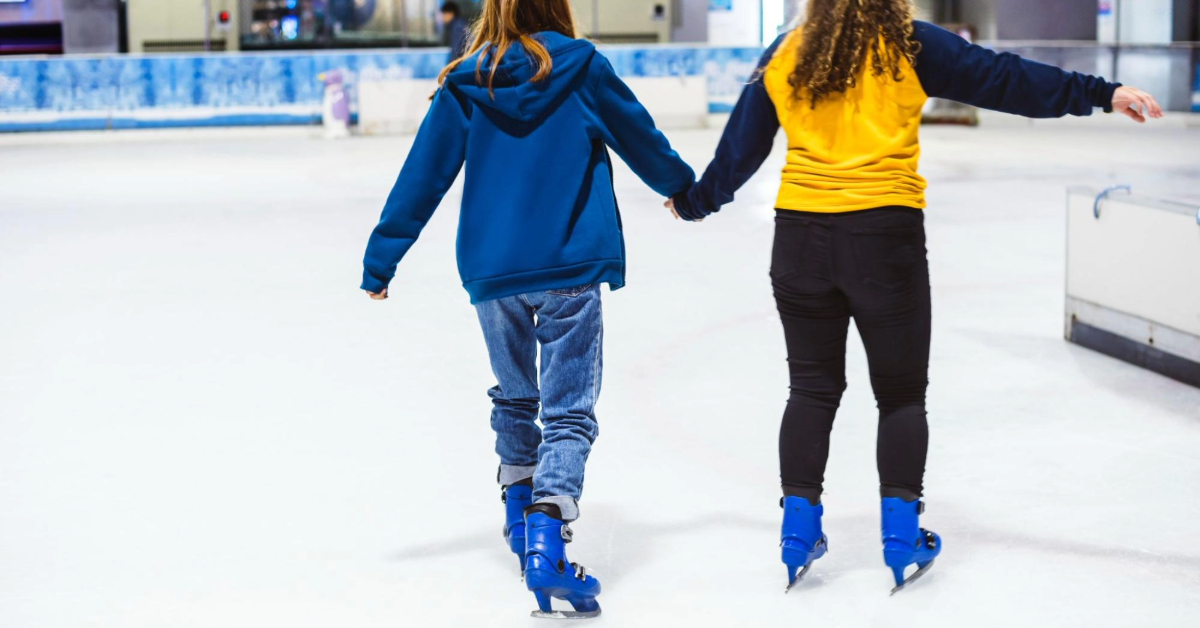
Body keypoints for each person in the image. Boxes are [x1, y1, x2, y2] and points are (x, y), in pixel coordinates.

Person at [668, 0, 1161, 594]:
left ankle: (798, 534)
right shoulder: (910, 43)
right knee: (901, 396)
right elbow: (1004, 79)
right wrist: (1102, 93)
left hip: (800, 240)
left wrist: (694, 202)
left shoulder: (786, 51)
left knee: (811, 388)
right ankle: (901, 536)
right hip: (884, 240)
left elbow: (739, 152)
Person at [360, 0, 693, 617]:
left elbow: (422, 176)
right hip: (570, 264)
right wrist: (683, 189)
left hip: (494, 272)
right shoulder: (581, 66)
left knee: (515, 394)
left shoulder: (467, 79)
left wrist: (382, 259)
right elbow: (638, 136)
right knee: (568, 410)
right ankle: (547, 535)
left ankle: (518, 511)